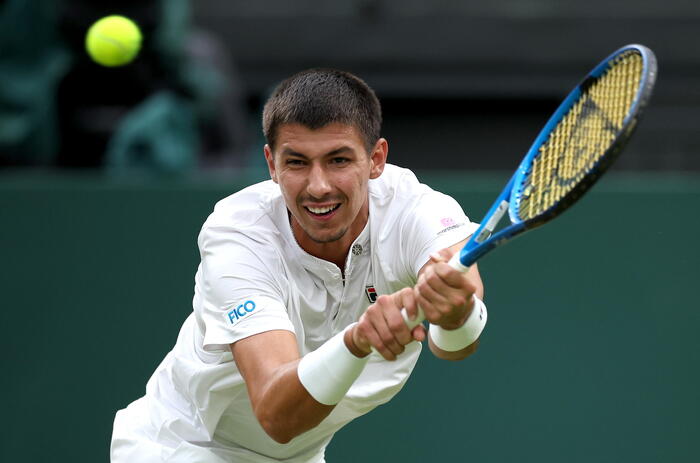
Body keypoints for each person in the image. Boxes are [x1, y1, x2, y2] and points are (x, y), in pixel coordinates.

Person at [111, 68, 487, 462]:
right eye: (297, 162)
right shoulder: (238, 235)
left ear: (376, 159)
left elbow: (456, 344)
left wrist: (455, 312)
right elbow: (278, 416)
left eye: (338, 160)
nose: (318, 186)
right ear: (271, 164)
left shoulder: (416, 209)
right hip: (182, 447)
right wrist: (356, 341)